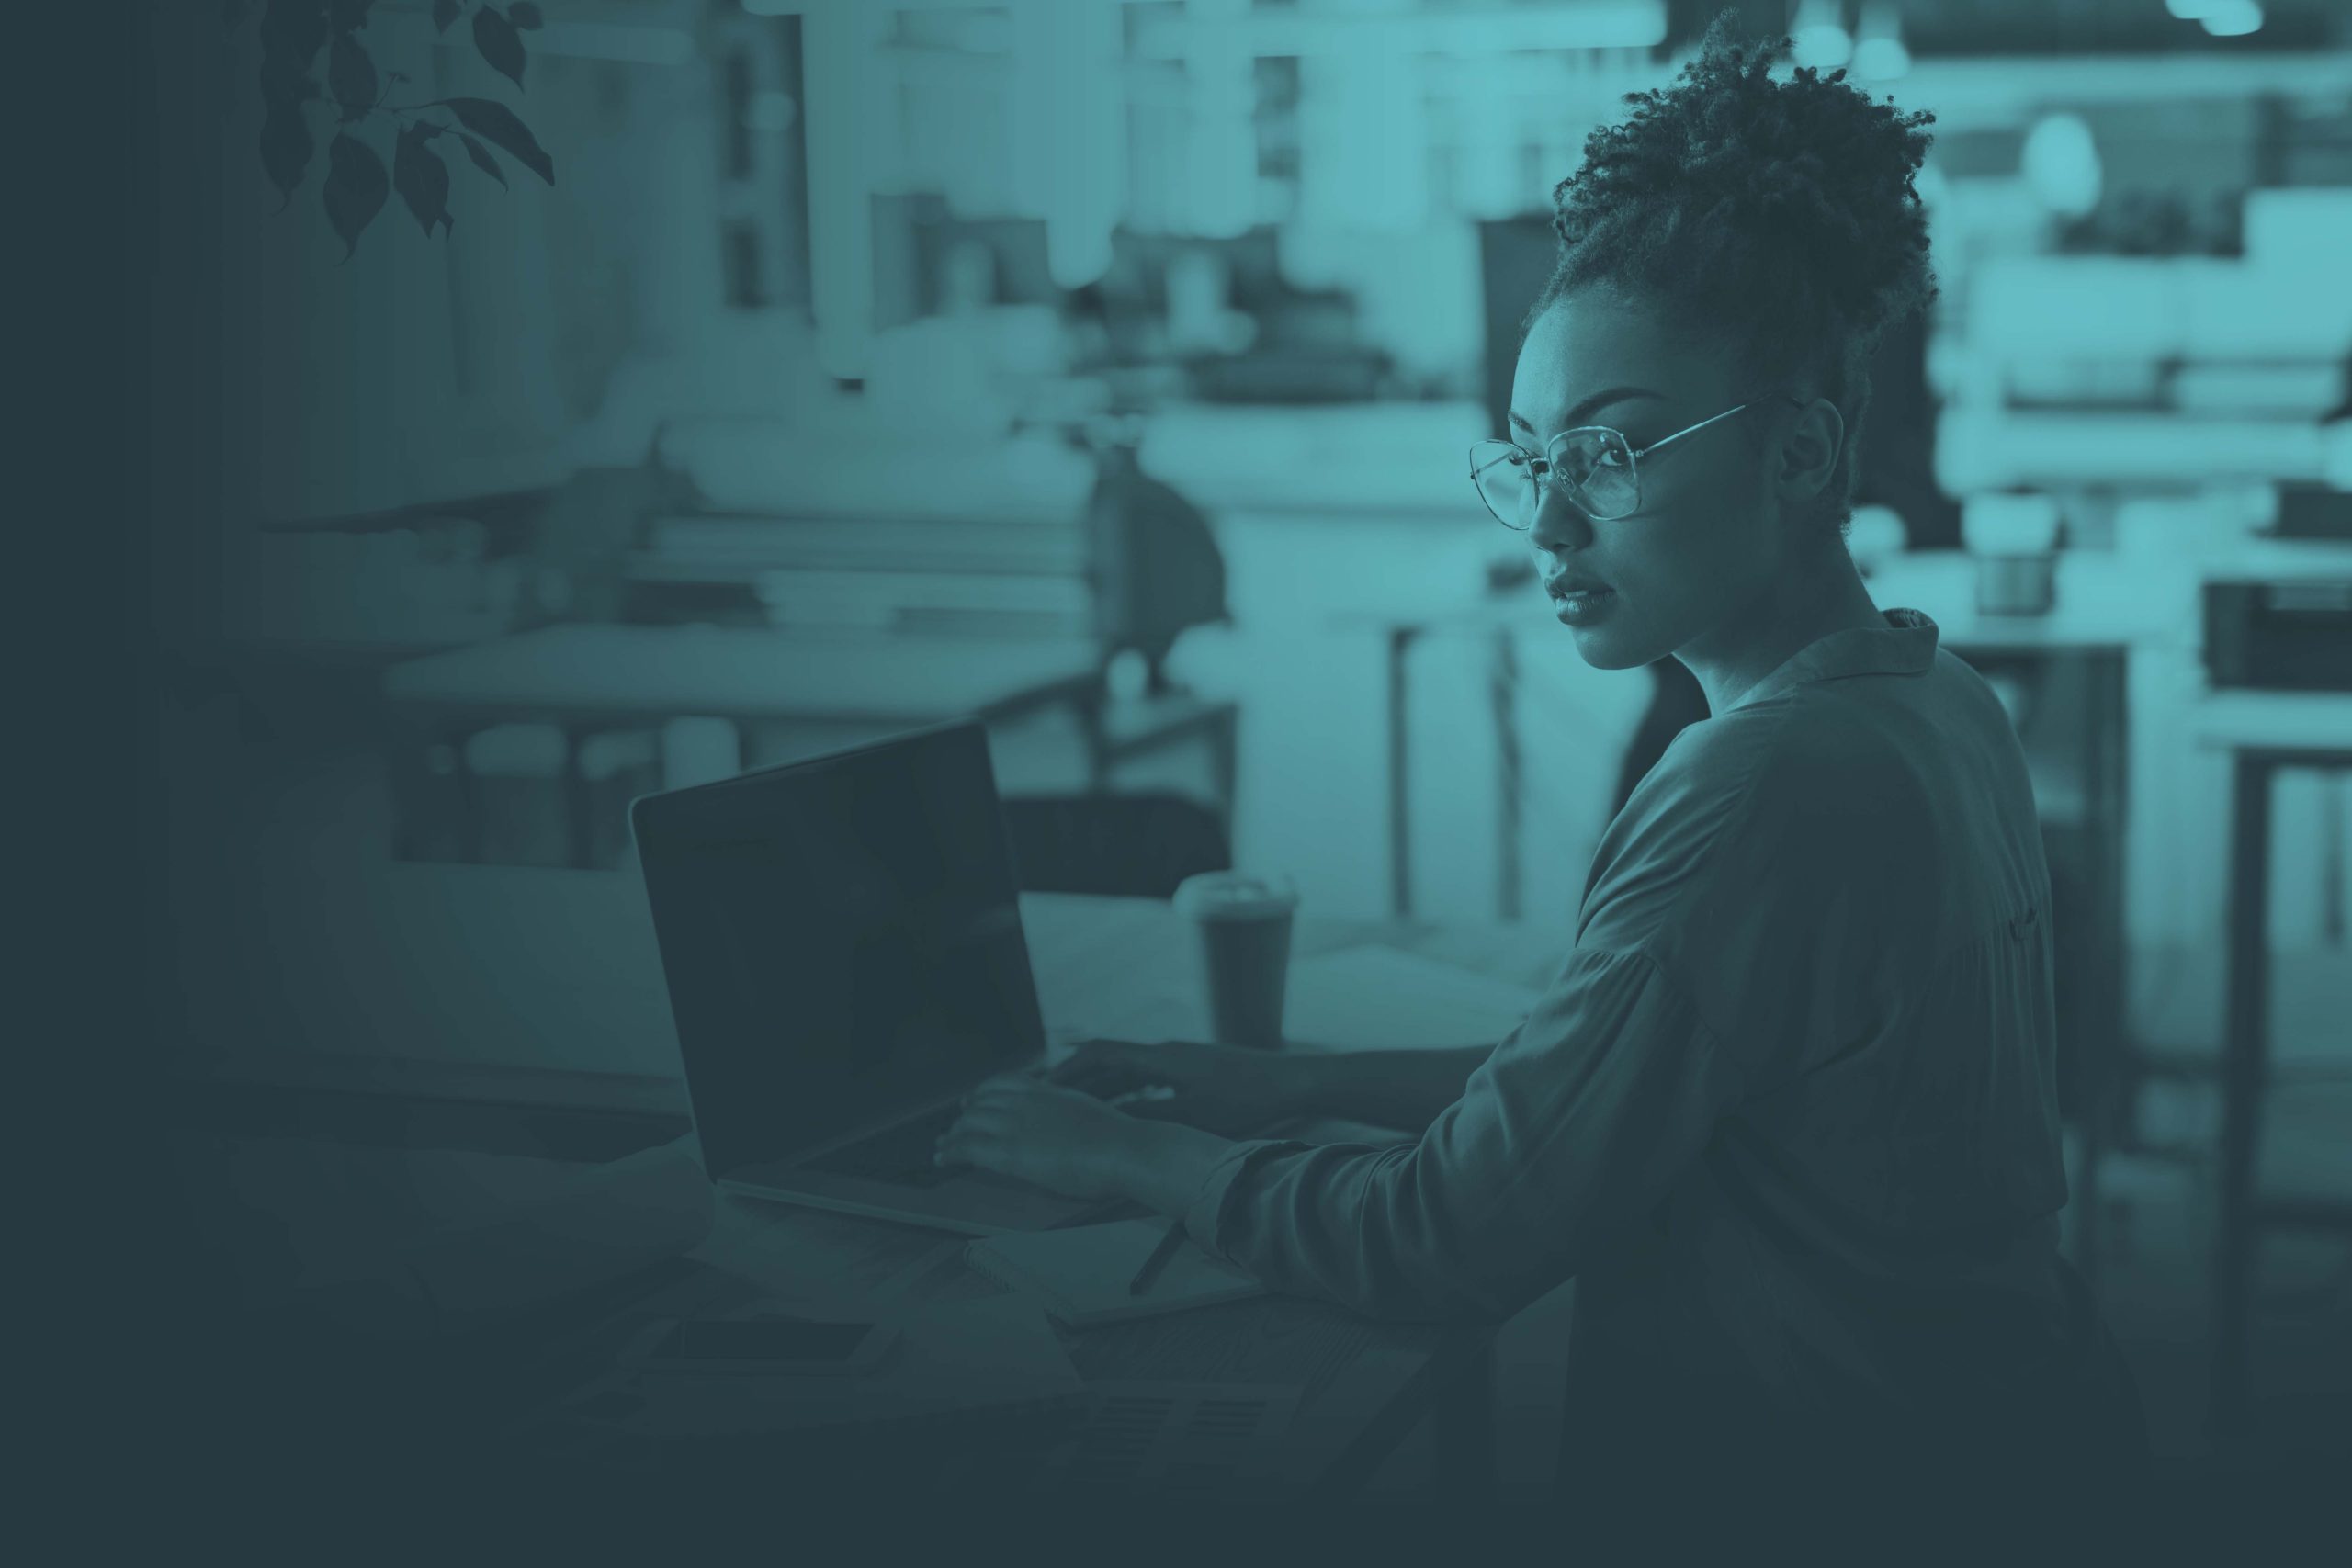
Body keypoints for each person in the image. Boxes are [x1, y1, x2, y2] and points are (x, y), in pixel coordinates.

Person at [936, 15, 2146, 1519]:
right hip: (1998, 1448)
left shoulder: (1761, 792)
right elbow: (1629, 1088)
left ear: (1803, 456)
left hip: (1829, 1497)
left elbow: (1442, 1241)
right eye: (1534, 456)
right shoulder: (1932, 695)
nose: (1553, 524)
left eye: (1615, 452)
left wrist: (1124, 1160)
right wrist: (1273, 1084)